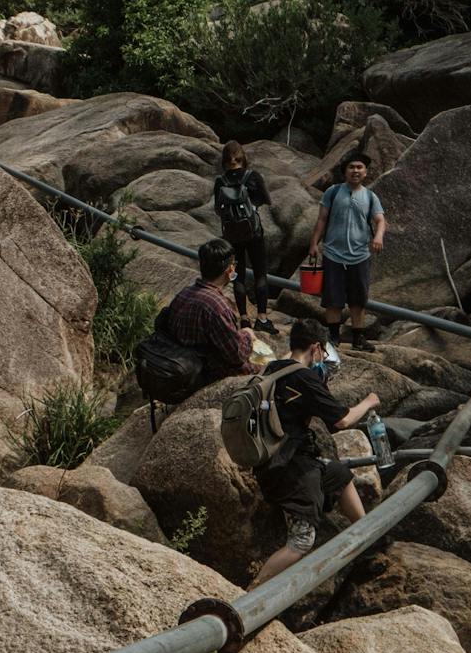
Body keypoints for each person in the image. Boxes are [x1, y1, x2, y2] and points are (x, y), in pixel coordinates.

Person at [248, 318, 381, 586]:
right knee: (301, 541)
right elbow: (341, 420)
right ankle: (250, 595)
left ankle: (369, 541)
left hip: (271, 463)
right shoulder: (305, 377)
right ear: (316, 348)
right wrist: (368, 402)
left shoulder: (271, 369)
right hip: (291, 469)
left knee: (338, 474)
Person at [308, 153, 387, 349]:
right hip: (333, 254)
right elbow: (321, 220)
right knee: (333, 299)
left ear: (366, 172)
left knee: (358, 299)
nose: (356, 171)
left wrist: (378, 236)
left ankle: (358, 337)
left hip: (360, 255)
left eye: (360, 167)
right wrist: (313, 244)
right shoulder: (333, 192)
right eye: (352, 167)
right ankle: (333, 336)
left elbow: (380, 220)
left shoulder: (370, 196)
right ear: (345, 171)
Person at [162, 237, 256, 381]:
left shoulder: (184, 293)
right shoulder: (217, 306)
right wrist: (248, 336)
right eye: (234, 264)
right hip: (205, 372)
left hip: (180, 364)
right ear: (230, 269)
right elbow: (236, 355)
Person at [213, 140, 276, 334]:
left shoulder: (220, 181)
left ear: (224, 160)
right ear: (243, 157)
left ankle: (244, 318)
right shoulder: (252, 176)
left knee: (237, 274)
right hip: (253, 232)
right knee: (260, 273)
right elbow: (267, 199)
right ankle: (263, 319)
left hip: (232, 234)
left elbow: (217, 209)